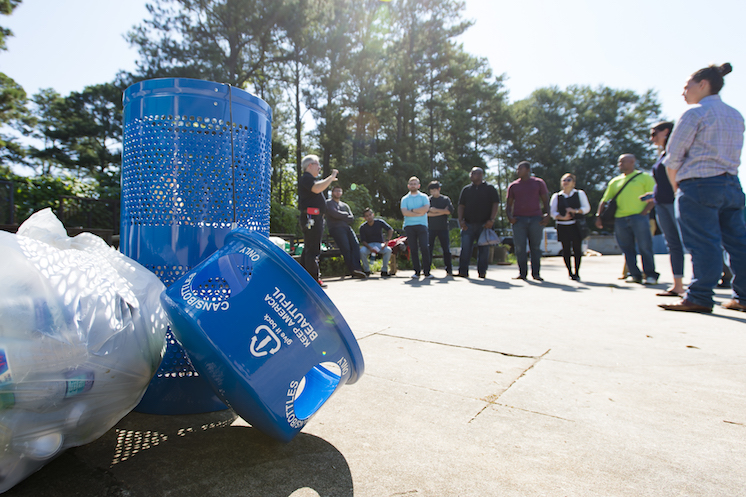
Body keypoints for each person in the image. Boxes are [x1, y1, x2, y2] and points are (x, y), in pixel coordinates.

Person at [659, 63, 746, 314]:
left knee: (703, 243)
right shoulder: (735, 115)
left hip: (698, 184)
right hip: (731, 184)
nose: (683, 92)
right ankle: (743, 296)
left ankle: (699, 296)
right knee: (738, 243)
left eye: (687, 86)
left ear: (703, 84)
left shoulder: (694, 114)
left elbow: (673, 158)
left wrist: (678, 189)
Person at [595, 154, 658, 285]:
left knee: (644, 246)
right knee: (626, 248)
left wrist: (644, 212)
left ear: (633, 162)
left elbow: (653, 196)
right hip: (620, 219)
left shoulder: (644, 177)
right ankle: (634, 274)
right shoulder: (615, 181)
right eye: (619, 162)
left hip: (638, 217)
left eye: (623, 162)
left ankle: (650, 274)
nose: (620, 164)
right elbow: (605, 200)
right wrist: (598, 216)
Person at [640, 122, 686, 297]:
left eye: (654, 134)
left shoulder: (678, 151)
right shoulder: (663, 154)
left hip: (676, 202)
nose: (652, 138)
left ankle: (705, 285)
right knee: (673, 244)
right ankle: (678, 285)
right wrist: (653, 194)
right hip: (662, 203)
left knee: (691, 242)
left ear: (666, 132)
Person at [298, 154, 337, 287]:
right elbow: (317, 188)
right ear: (310, 165)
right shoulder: (307, 178)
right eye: (317, 164)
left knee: (309, 248)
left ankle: (303, 278)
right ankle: (313, 280)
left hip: (314, 218)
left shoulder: (309, 179)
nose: (319, 167)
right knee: (313, 249)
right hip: (311, 218)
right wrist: (331, 178)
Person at [506, 162, 550, 281]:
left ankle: (536, 273)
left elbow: (545, 200)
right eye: (517, 169)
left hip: (536, 219)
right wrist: (509, 216)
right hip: (519, 220)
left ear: (528, 170)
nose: (518, 171)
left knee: (535, 247)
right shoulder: (514, 186)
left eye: (520, 169)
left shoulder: (538, 183)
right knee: (520, 247)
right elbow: (508, 203)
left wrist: (548, 215)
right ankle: (522, 273)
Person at [456, 167, 499, 278]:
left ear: (480, 175)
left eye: (474, 174)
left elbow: (495, 204)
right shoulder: (466, 190)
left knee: (484, 250)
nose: (471, 175)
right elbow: (461, 206)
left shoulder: (490, 188)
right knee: (465, 249)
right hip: (468, 224)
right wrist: (461, 221)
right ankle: (463, 271)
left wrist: (491, 220)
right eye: (471, 173)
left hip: (484, 225)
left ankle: (482, 272)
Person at [549, 173, 590, 280]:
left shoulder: (579, 194)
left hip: (576, 225)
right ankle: (570, 272)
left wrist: (575, 211)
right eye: (564, 180)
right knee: (565, 249)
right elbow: (552, 212)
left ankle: (577, 272)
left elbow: (586, 208)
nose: (566, 182)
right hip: (563, 225)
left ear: (573, 183)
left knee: (577, 249)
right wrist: (561, 217)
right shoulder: (557, 196)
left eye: (568, 180)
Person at [325, 186, 366, 279]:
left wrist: (340, 215)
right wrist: (344, 215)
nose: (338, 192)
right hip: (336, 228)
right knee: (346, 248)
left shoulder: (345, 205)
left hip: (347, 228)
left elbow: (351, 218)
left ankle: (358, 269)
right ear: (332, 192)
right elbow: (334, 214)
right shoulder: (329, 203)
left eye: (340, 190)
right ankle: (352, 270)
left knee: (355, 245)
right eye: (336, 191)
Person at [401, 176, 432, 279]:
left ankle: (427, 272)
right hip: (409, 226)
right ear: (408, 186)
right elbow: (405, 212)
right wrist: (418, 212)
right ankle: (417, 272)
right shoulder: (404, 199)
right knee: (413, 249)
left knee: (424, 247)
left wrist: (412, 211)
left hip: (422, 225)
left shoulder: (424, 197)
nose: (413, 185)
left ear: (418, 185)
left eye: (415, 184)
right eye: (411, 184)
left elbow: (425, 209)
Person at [427, 181, 454, 275]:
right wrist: (442, 212)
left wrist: (435, 211)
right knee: (428, 248)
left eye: (434, 190)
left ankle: (449, 269)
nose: (433, 192)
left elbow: (449, 211)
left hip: (443, 227)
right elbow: (427, 214)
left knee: (446, 249)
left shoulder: (445, 199)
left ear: (439, 189)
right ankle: (427, 269)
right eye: (431, 191)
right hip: (431, 227)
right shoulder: (428, 200)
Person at [358, 208, 394, 277]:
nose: (369, 217)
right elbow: (363, 241)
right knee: (362, 251)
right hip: (368, 245)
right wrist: (370, 248)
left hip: (379, 244)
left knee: (388, 250)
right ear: (365, 218)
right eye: (367, 216)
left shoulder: (379, 222)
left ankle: (384, 270)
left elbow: (390, 229)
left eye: (370, 215)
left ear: (373, 215)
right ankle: (367, 270)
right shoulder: (362, 227)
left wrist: (387, 241)